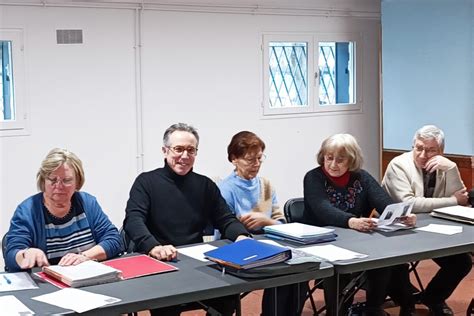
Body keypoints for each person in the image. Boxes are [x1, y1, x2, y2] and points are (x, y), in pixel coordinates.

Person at [123, 123, 250, 316]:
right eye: (178, 149)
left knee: (228, 293)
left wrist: (241, 236)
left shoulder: (205, 185)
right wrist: (153, 246)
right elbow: (133, 220)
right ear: (165, 151)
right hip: (160, 262)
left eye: (191, 150)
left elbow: (225, 218)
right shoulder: (146, 182)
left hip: (196, 262)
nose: (184, 156)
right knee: (167, 302)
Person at [303, 133, 416, 316]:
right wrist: (351, 221)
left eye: (340, 160)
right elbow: (322, 209)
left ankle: (376, 308)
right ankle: (339, 311)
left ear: (351, 160)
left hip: (355, 240)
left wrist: (402, 215)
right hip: (322, 242)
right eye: (329, 158)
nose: (333, 164)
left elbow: (384, 202)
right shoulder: (313, 177)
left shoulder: (361, 177)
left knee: (390, 259)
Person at [382, 125, 472, 316]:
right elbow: (410, 203)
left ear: (441, 151)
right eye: (419, 148)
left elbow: (462, 200)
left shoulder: (445, 166)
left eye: (431, 150)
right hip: (399, 230)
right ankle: (407, 303)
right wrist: (453, 200)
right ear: (413, 146)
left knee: (462, 262)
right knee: (396, 264)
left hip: (434, 228)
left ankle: (433, 298)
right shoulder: (398, 165)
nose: (423, 154)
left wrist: (453, 168)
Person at [219, 131, 306, 316]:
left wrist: (266, 221)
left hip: (269, 243)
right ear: (234, 159)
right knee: (279, 270)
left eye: (259, 158)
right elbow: (224, 227)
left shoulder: (265, 185)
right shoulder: (226, 189)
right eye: (250, 160)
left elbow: (280, 222)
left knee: (302, 269)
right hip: (238, 247)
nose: (256, 165)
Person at [5, 148, 123, 272]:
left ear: (77, 182)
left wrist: (84, 257)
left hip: (87, 279)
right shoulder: (27, 211)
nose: (59, 186)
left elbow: (114, 240)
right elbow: (11, 255)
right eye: (52, 180)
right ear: (43, 181)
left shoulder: (87, 203)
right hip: (48, 285)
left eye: (66, 180)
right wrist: (26, 253)